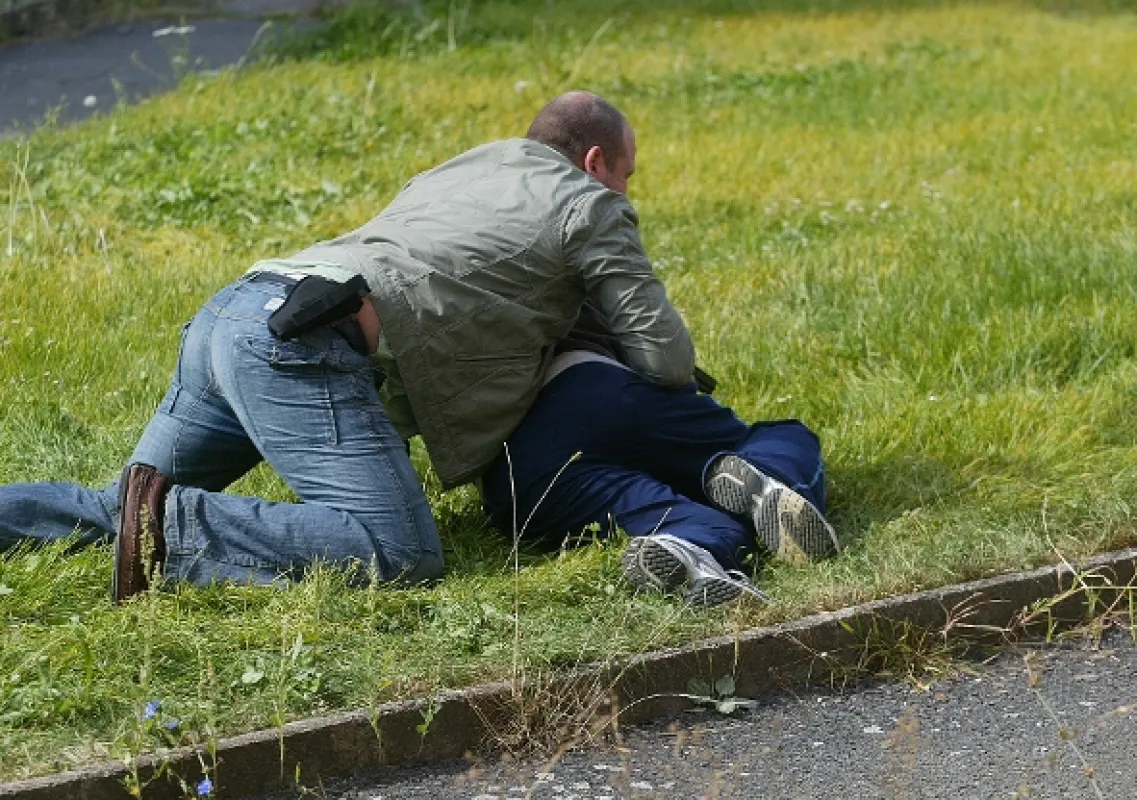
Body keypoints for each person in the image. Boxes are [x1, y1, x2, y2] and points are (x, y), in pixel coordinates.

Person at [0, 91, 696, 603]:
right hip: (299, 349)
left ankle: (127, 516)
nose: (625, 193)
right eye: (626, 176)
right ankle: (175, 518)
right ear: (596, 161)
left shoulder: (459, 172)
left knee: (113, 512)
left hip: (236, 310)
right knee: (398, 554)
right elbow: (662, 355)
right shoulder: (589, 202)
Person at [480, 303, 839, 607]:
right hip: (592, 386)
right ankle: (767, 477)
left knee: (658, 512)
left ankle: (688, 546)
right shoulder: (563, 223)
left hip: (514, 466)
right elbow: (654, 336)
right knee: (785, 434)